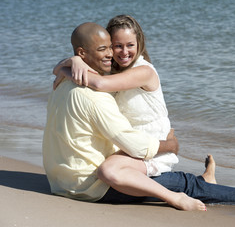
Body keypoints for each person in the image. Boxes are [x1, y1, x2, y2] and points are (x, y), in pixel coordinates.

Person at [43, 22, 235, 211]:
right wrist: (171, 145)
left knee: (140, 174)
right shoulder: (94, 95)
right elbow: (137, 146)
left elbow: (83, 74)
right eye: (104, 48)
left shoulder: (62, 83)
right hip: (91, 187)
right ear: (83, 53)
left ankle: (206, 181)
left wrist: (69, 64)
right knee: (181, 183)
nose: (111, 54)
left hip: (61, 184)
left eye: (111, 47)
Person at [53, 15, 178, 178]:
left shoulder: (144, 72)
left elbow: (100, 84)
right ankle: (204, 178)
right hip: (127, 142)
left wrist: (65, 70)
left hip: (152, 145)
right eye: (117, 46)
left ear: (139, 43)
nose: (124, 52)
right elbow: (55, 70)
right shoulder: (112, 68)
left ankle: (201, 182)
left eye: (130, 45)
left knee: (113, 176)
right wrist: (74, 60)